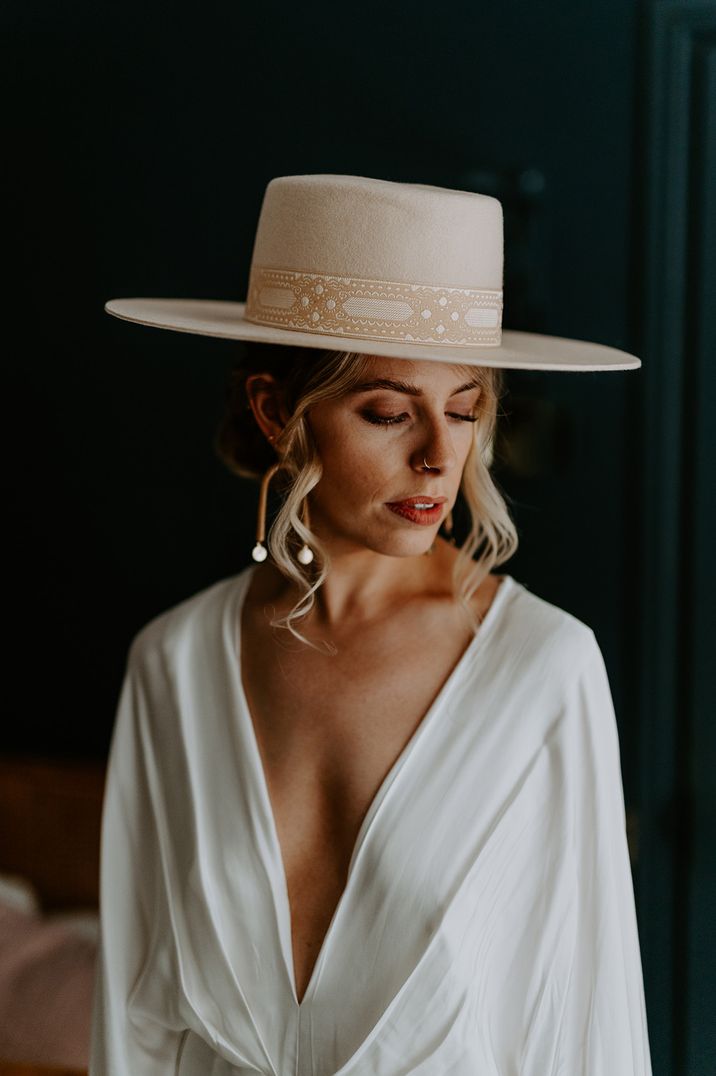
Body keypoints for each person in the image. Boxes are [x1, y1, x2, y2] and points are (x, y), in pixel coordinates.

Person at [90, 174, 653, 1074]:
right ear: (279, 412)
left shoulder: (543, 669)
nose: (438, 452)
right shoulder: (175, 662)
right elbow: (132, 1028)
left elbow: (589, 1026)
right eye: (390, 412)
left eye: (467, 410)